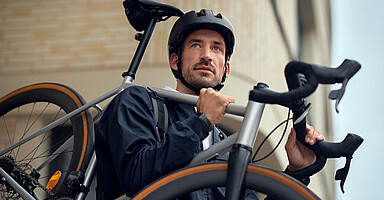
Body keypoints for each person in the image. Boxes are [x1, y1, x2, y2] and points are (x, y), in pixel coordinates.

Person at [95, 9, 324, 199]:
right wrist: (200, 122)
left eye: (216, 48)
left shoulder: (227, 147)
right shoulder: (139, 101)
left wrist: (296, 171)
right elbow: (136, 177)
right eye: (196, 45)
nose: (207, 55)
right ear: (175, 61)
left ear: (226, 69)